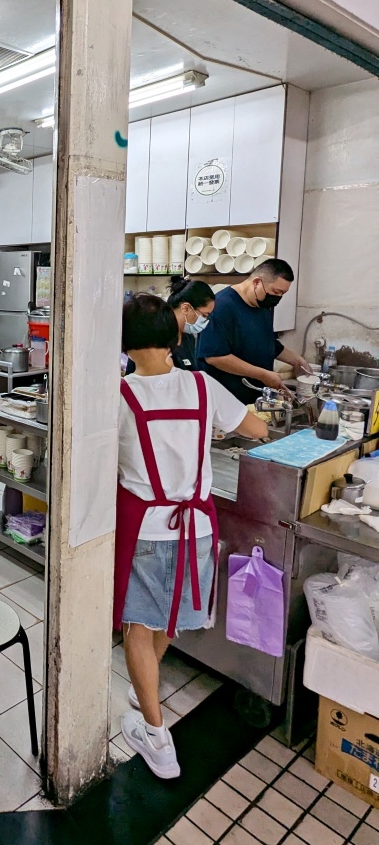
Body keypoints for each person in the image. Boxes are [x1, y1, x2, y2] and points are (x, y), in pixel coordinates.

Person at [116, 294, 267, 779]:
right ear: (176, 336)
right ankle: (147, 706)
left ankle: (157, 738)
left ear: (122, 343)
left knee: (137, 627)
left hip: (147, 530)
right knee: (164, 619)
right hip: (197, 528)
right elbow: (258, 427)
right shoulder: (203, 387)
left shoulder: (119, 396)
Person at [196, 258, 311, 405]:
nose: (277, 298)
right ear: (256, 282)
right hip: (226, 399)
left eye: (283, 294)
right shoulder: (222, 306)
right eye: (276, 292)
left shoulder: (262, 306)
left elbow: (267, 343)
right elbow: (215, 357)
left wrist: (297, 360)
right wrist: (263, 374)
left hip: (254, 399)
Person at [125, 278, 215, 375]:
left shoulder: (188, 338)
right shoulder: (155, 335)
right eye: (204, 315)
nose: (204, 321)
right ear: (186, 308)